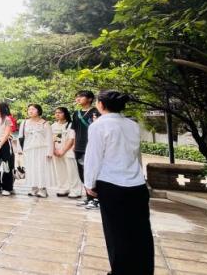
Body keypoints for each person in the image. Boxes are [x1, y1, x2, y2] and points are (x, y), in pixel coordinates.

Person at [84, 91, 154, 275]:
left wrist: (89, 183)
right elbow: (134, 154)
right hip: (137, 184)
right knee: (141, 231)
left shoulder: (98, 126)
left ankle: (121, 270)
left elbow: (93, 157)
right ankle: (143, 270)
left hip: (111, 184)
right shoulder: (132, 125)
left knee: (116, 232)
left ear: (101, 104)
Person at [73, 89, 101, 209]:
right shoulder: (76, 113)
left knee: (92, 173)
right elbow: (74, 131)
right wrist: (74, 145)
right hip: (79, 147)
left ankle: (97, 199)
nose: (78, 99)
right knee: (82, 173)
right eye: (77, 97)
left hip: (91, 147)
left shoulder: (96, 112)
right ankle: (89, 197)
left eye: (81, 96)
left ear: (90, 99)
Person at [20, 104, 53, 198]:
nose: (30, 111)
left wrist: (50, 151)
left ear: (38, 111)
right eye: (29, 109)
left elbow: (49, 138)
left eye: (33, 109)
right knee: (31, 168)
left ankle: (43, 189)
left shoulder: (45, 123)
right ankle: (33, 188)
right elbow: (20, 137)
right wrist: (20, 149)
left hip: (42, 149)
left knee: (41, 168)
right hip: (29, 149)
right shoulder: (24, 123)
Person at [51, 106, 84, 198]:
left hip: (69, 151)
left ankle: (76, 191)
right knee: (60, 171)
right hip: (57, 151)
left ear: (65, 114)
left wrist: (63, 150)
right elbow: (56, 139)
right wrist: (55, 150)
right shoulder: (54, 125)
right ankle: (63, 188)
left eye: (60, 112)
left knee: (72, 171)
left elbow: (71, 139)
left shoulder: (70, 125)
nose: (57, 114)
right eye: (56, 112)